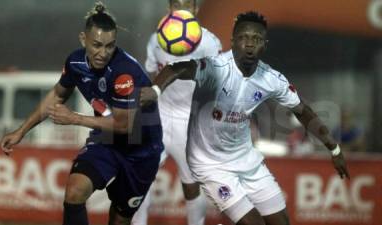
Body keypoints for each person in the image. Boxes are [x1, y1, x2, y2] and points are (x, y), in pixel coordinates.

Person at [140, 11, 350, 225]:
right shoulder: (216, 67)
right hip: (210, 165)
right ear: (232, 41)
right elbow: (178, 68)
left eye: (256, 39)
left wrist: (334, 148)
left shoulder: (271, 78)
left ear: (265, 45)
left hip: (246, 161)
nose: (249, 44)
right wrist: (156, 89)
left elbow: (303, 111)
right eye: (243, 38)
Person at [0, 2, 163, 225]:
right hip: (106, 140)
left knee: (119, 219)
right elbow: (57, 95)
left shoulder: (125, 72)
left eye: (110, 46)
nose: (103, 53)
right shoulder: (75, 63)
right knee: (74, 191)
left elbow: (125, 126)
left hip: (141, 149)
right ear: (82, 39)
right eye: (97, 45)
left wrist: (74, 118)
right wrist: (21, 131)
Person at [109, 1, 222, 225]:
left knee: (191, 185)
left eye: (187, 5)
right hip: (158, 116)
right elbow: (151, 78)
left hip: (189, 121)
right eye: (177, 4)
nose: (182, 10)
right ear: (169, 9)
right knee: (140, 178)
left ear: (196, 9)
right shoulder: (156, 40)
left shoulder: (210, 43)